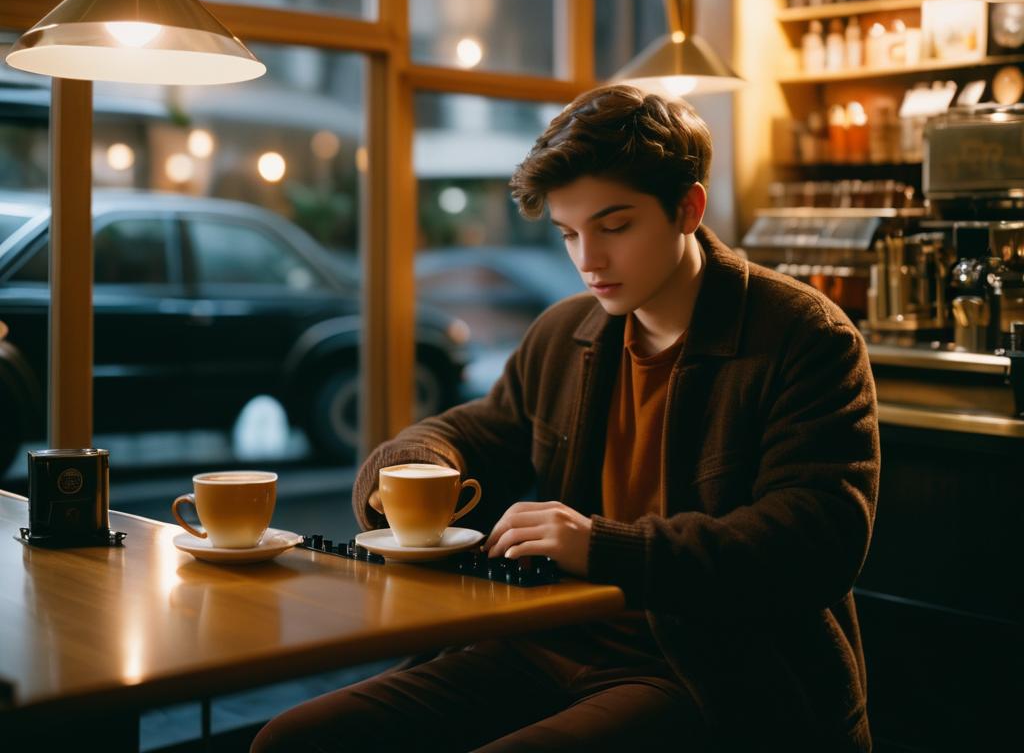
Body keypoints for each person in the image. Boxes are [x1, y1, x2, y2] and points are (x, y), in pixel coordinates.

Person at [252, 84, 880, 752]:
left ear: (688, 208)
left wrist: (599, 545)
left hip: (707, 665)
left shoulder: (805, 336)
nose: (589, 259)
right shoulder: (567, 332)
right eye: (569, 234)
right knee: (292, 741)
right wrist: (410, 467)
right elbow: (475, 429)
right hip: (547, 639)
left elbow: (815, 542)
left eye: (615, 226)